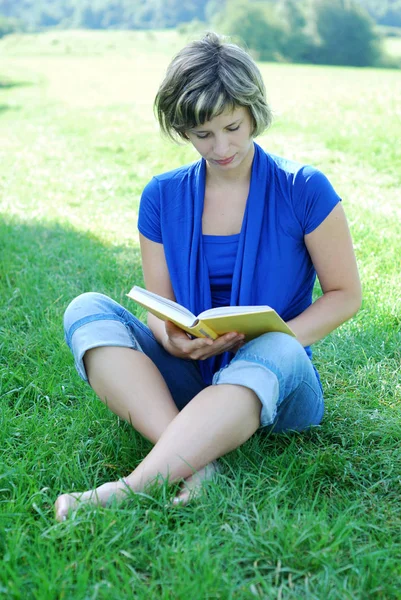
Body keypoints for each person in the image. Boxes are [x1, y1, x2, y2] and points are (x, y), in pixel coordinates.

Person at [55, 32, 361, 521]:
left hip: (278, 381)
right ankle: (197, 459)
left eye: (233, 127)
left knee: (278, 346)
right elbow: (161, 304)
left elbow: (345, 296)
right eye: (203, 134)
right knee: (86, 309)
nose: (222, 147)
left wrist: (276, 336)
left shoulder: (304, 188)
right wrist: (170, 338)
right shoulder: (161, 196)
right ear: (183, 131)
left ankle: (132, 488)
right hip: (194, 371)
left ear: (254, 110)